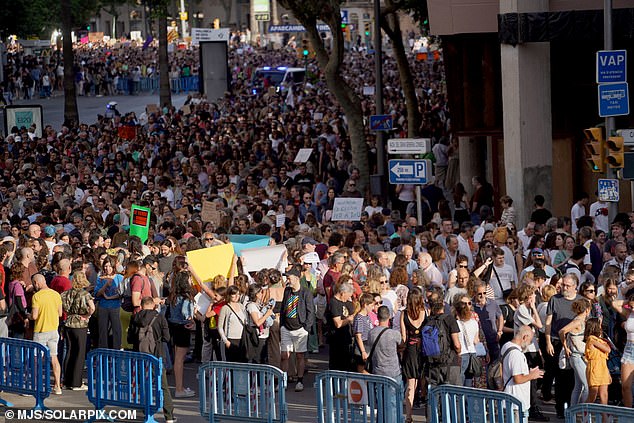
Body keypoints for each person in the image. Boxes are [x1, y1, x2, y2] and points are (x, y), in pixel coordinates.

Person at [128, 296, 176, 423]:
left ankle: (146, 412)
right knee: (163, 385)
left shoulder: (135, 317)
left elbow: (130, 339)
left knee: (143, 384)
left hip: (140, 355)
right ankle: (169, 416)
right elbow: (166, 337)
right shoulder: (160, 317)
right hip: (157, 355)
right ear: (153, 305)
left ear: (142, 306)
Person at [544, 273, 581, 418]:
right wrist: (548, 341)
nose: (563, 287)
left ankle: (571, 408)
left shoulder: (580, 301)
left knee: (573, 377)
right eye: (563, 284)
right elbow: (548, 322)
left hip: (573, 342)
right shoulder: (555, 299)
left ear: (575, 287)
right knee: (559, 377)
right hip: (556, 341)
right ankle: (560, 409)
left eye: (567, 285)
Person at [280, 267, 315, 392]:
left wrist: (306, 328)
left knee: (300, 355)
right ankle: (283, 380)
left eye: (289, 277)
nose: (287, 280)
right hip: (286, 327)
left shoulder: (306, 292)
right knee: (284, 355)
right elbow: (283, 307)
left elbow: (311, 311)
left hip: (300, 328)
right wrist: (282, 325)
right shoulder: (287, 291)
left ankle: (300, 380)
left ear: (296, 278)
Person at [367, 306, 404, 421]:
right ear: (389, 317)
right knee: (393, 403)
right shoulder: (394, 334)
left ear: (378, 317)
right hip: (393, 372)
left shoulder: (371, 333)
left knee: (381, 403)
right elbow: (402, 345)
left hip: (378, 371)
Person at [61, 270, 95, 390]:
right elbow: (92, 307)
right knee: (79, 353)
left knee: (69, 351)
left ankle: (67, 381)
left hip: (68, 322)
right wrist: (87, 316)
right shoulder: (84, 294)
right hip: (80, 324)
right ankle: (76, 383)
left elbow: (61, 309)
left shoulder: (65, 294)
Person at [502, 325, 545, 418]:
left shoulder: (506, 346)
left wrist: (528, 372)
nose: (529, 344)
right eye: (530, 341)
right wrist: (532, 375)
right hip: (516, 401)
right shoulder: (516, 354)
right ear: (524, 337)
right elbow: (517, 378)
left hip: (512, 400)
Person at [31, 273, 63, 395]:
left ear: (36, 283)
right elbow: (60, 313)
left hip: (40, 331)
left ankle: (36, 385)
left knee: (36, 359)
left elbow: (34, 316)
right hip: (53, 330)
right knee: (54, 358)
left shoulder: (36, 296)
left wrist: (28, 316)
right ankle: (57, 386)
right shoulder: (56, 294)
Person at [166, 271, 196, 398]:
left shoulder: (173, 295)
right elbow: (186, 313)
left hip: (173, 326)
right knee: (180, 359)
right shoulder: (185, 297)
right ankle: (179, 388)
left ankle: (180, 387)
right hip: (182, 327)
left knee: (177, 357)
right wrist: (191, 320)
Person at [558, 298, 591, 406]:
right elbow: (562, 331)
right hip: (576, 356)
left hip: (578, 356)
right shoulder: (578, 321)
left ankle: (573, 412)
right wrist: (565, 347)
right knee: (587, 386)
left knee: (578, 386)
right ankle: (584, 412)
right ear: (587, 310)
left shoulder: (580, 320)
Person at [400, 287, 426, 422]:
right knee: (424, 382)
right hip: (423, 349)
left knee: (411, 385)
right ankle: (428, 415)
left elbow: (403, 338)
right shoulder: (425, 312)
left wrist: (400, 352)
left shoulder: (404, 314)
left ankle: (409, 416)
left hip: (410, 351)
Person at [94, 256, 122, 349]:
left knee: (116, 330)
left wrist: (110, 297)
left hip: (116, 307)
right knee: (102, 331)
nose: (107, 268)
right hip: (103, 306)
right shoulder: (100, 278)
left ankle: (116, 350)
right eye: (105, 266)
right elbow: (97, 294)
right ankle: (103, 351)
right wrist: (105, 285)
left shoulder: (119, 277)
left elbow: (121, 293)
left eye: (110, 266)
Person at [584, 317, 612, 405]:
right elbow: (607, 349)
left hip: (602, 367)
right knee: (593, 393)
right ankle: (583, 412)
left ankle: (604, 416)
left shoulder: (599, 340)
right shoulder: (591, 339)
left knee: (604, 393)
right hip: (594, 368)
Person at [218, 285, 248, 363]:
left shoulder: (241, 306)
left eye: (238, 294)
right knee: (231, 363)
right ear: (229, 295)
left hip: (242, 339)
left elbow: (245, 321)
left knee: (242, 363)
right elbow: (220, 326)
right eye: (234, 294)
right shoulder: (225, 308)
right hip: (230, 339)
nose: (236, 296)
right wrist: (226, 341)